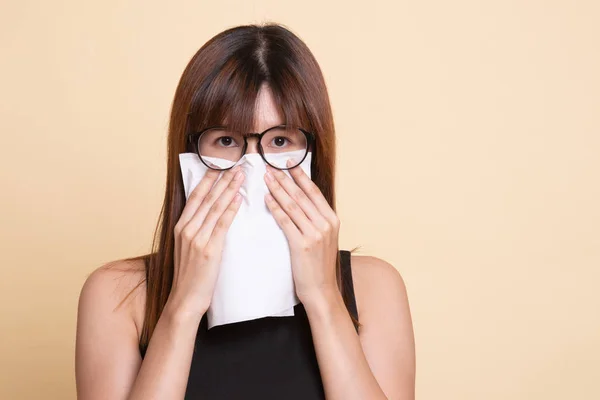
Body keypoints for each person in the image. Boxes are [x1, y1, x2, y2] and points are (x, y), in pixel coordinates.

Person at [75, 22, 415, 400]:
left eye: (281, 140)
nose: (252, 166)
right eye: (226, 140)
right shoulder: (118, 295)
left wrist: (323, 297)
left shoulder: (375, 288)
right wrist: (183, 306)